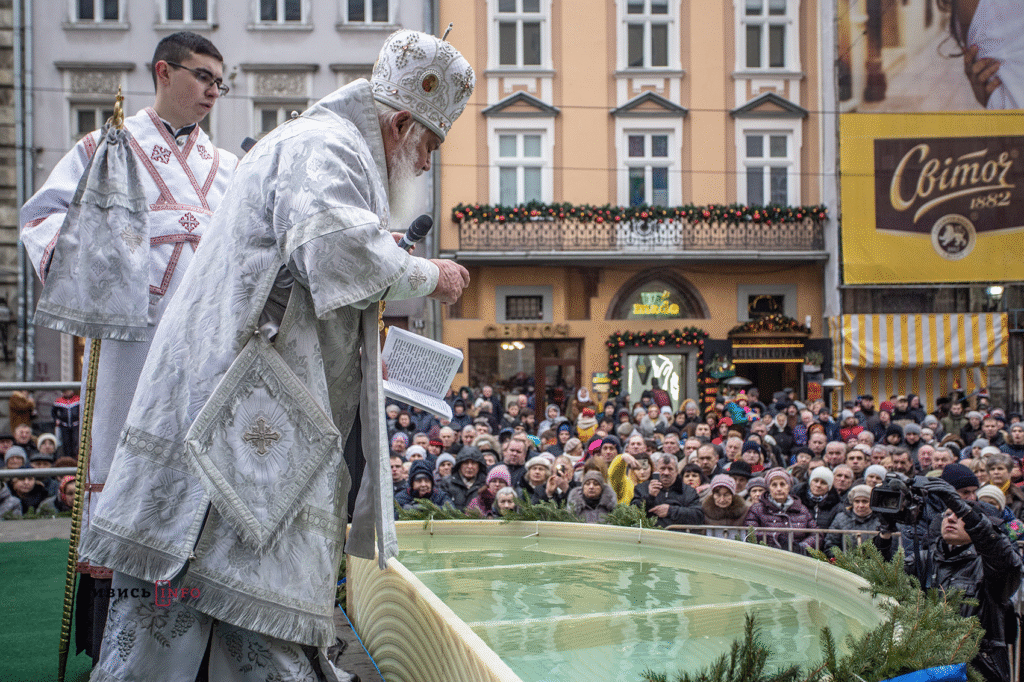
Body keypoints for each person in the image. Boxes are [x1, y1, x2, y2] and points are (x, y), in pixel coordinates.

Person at [76, 29, 475, 680]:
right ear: (401, 124)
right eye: (429, 146)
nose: (426, 165)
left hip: (251, 404)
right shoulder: (327, 145)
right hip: (238, 414)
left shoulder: (321, 143)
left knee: (228, 612)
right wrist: (432, 275)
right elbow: (333, 254)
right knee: (206, 603)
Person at [21, 31, 238, 664]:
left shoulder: (229, 168)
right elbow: (42, 220)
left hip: (210, 353)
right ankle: (113, 640)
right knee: (125, 472)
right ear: (164, 72)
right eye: (202, 77)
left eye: (220, 82)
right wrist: (113, 264)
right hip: (131, 346)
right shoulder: (105, 148)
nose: (213, 92)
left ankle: (197, 648)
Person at [875, 476, 1022, 682]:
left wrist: (963, 508)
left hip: (978, 669)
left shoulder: (989, 566)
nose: (951, 519)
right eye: (947, 514)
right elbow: (880, 581)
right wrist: (885, 534)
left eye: (959, 515)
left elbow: (1005, 559)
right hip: (926, 666)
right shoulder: (924, 559)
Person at [743, 467, 818, 554]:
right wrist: (776, 538)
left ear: (789, 487)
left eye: (782, 484)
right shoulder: (757, 509)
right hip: (768, 555)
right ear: (769, 488)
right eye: (774, 485)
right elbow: (751, 533)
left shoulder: (801, 509)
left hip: (798, 556)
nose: (779, 489)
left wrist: (802, 546)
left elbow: (816, 534)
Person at [630, 453, 704, 528]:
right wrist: (650, 497)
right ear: (656, 470)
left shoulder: (688, 491)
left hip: (677, 534)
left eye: (670, 469)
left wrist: (671, 511)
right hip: (650, 533)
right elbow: (632, 514)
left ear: (677, 471)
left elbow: (698, 516)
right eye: (662, 468)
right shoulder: (642, 488)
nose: (666, 473)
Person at [824, 484, 880, 554]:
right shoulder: (840, 518)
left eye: (865, 501)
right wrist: (840, 557)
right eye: (857, 501)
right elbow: (831, 544)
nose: (861, 505)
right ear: (852, 502)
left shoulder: (880, 520)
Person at [440, 446, 486, 510]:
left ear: (479, 465)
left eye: (473, 463)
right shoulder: (447, 483)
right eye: (466, 463)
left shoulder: (485, 484)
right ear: (460, 465)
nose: (470, 466)